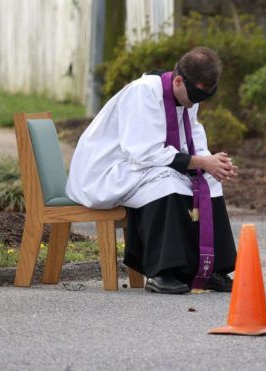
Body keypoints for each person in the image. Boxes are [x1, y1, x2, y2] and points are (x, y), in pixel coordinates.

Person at [66, 47, 238, 294]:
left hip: (142, 163)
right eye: (196, 97)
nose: (196, 104)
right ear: (178, 80)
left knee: (210, 182)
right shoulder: (143, 92)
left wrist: (212, 163)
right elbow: (142, 152)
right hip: (107, 169)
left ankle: (210, 269)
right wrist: (200, 162)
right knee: (166, 183)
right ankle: (162, 272)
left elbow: (193, 138)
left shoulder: (187, 97)